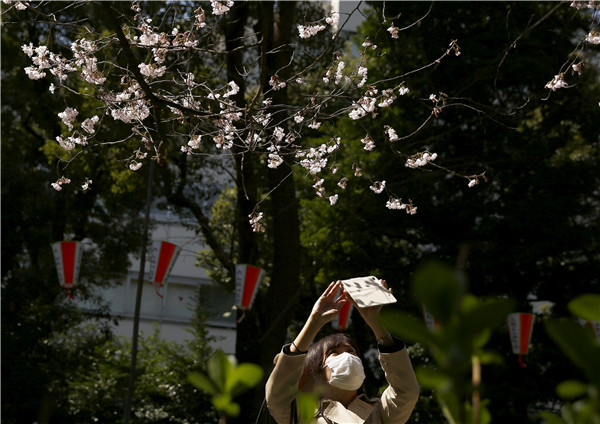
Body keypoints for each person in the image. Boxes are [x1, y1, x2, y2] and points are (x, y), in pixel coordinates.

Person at [266, 280, 419, 423]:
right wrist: (314, 322)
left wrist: (375, 322)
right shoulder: (300, 413)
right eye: (334, 352)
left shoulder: (381, 411)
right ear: (316, 371)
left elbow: (406, 391)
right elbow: (277, 395)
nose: (347, 356)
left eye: (351, 351)